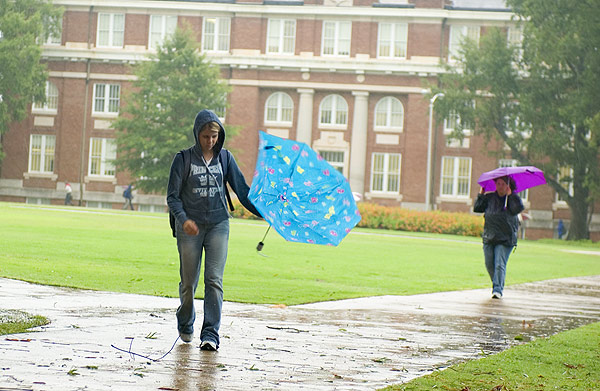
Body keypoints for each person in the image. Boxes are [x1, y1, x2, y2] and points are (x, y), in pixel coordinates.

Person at [166, 109, 261, 351]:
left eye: (215, 136)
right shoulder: (183, 159)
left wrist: (265, 211)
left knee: (214, 280)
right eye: (206, 136)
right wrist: (184, 219)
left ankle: (210, 334)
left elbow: (242, 190)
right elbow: (173, 197)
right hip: (190, 227)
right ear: (197, 134)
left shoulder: (226, 159)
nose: (210, 141)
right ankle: (185, 322)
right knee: (189, 283)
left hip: (219, 224)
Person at [473, 176, 524, 299]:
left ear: (508, 185)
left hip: (505, 239)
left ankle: (497, 290)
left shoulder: (512, 199)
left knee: (499, 264)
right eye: (498, 184)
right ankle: (497, 283)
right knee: (489, 264)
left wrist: (511, 196)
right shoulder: (490, 198)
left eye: (503, 184)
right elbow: (477, 208)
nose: (500, 186)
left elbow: (517, 209)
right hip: (489, 237)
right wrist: (481, 193)